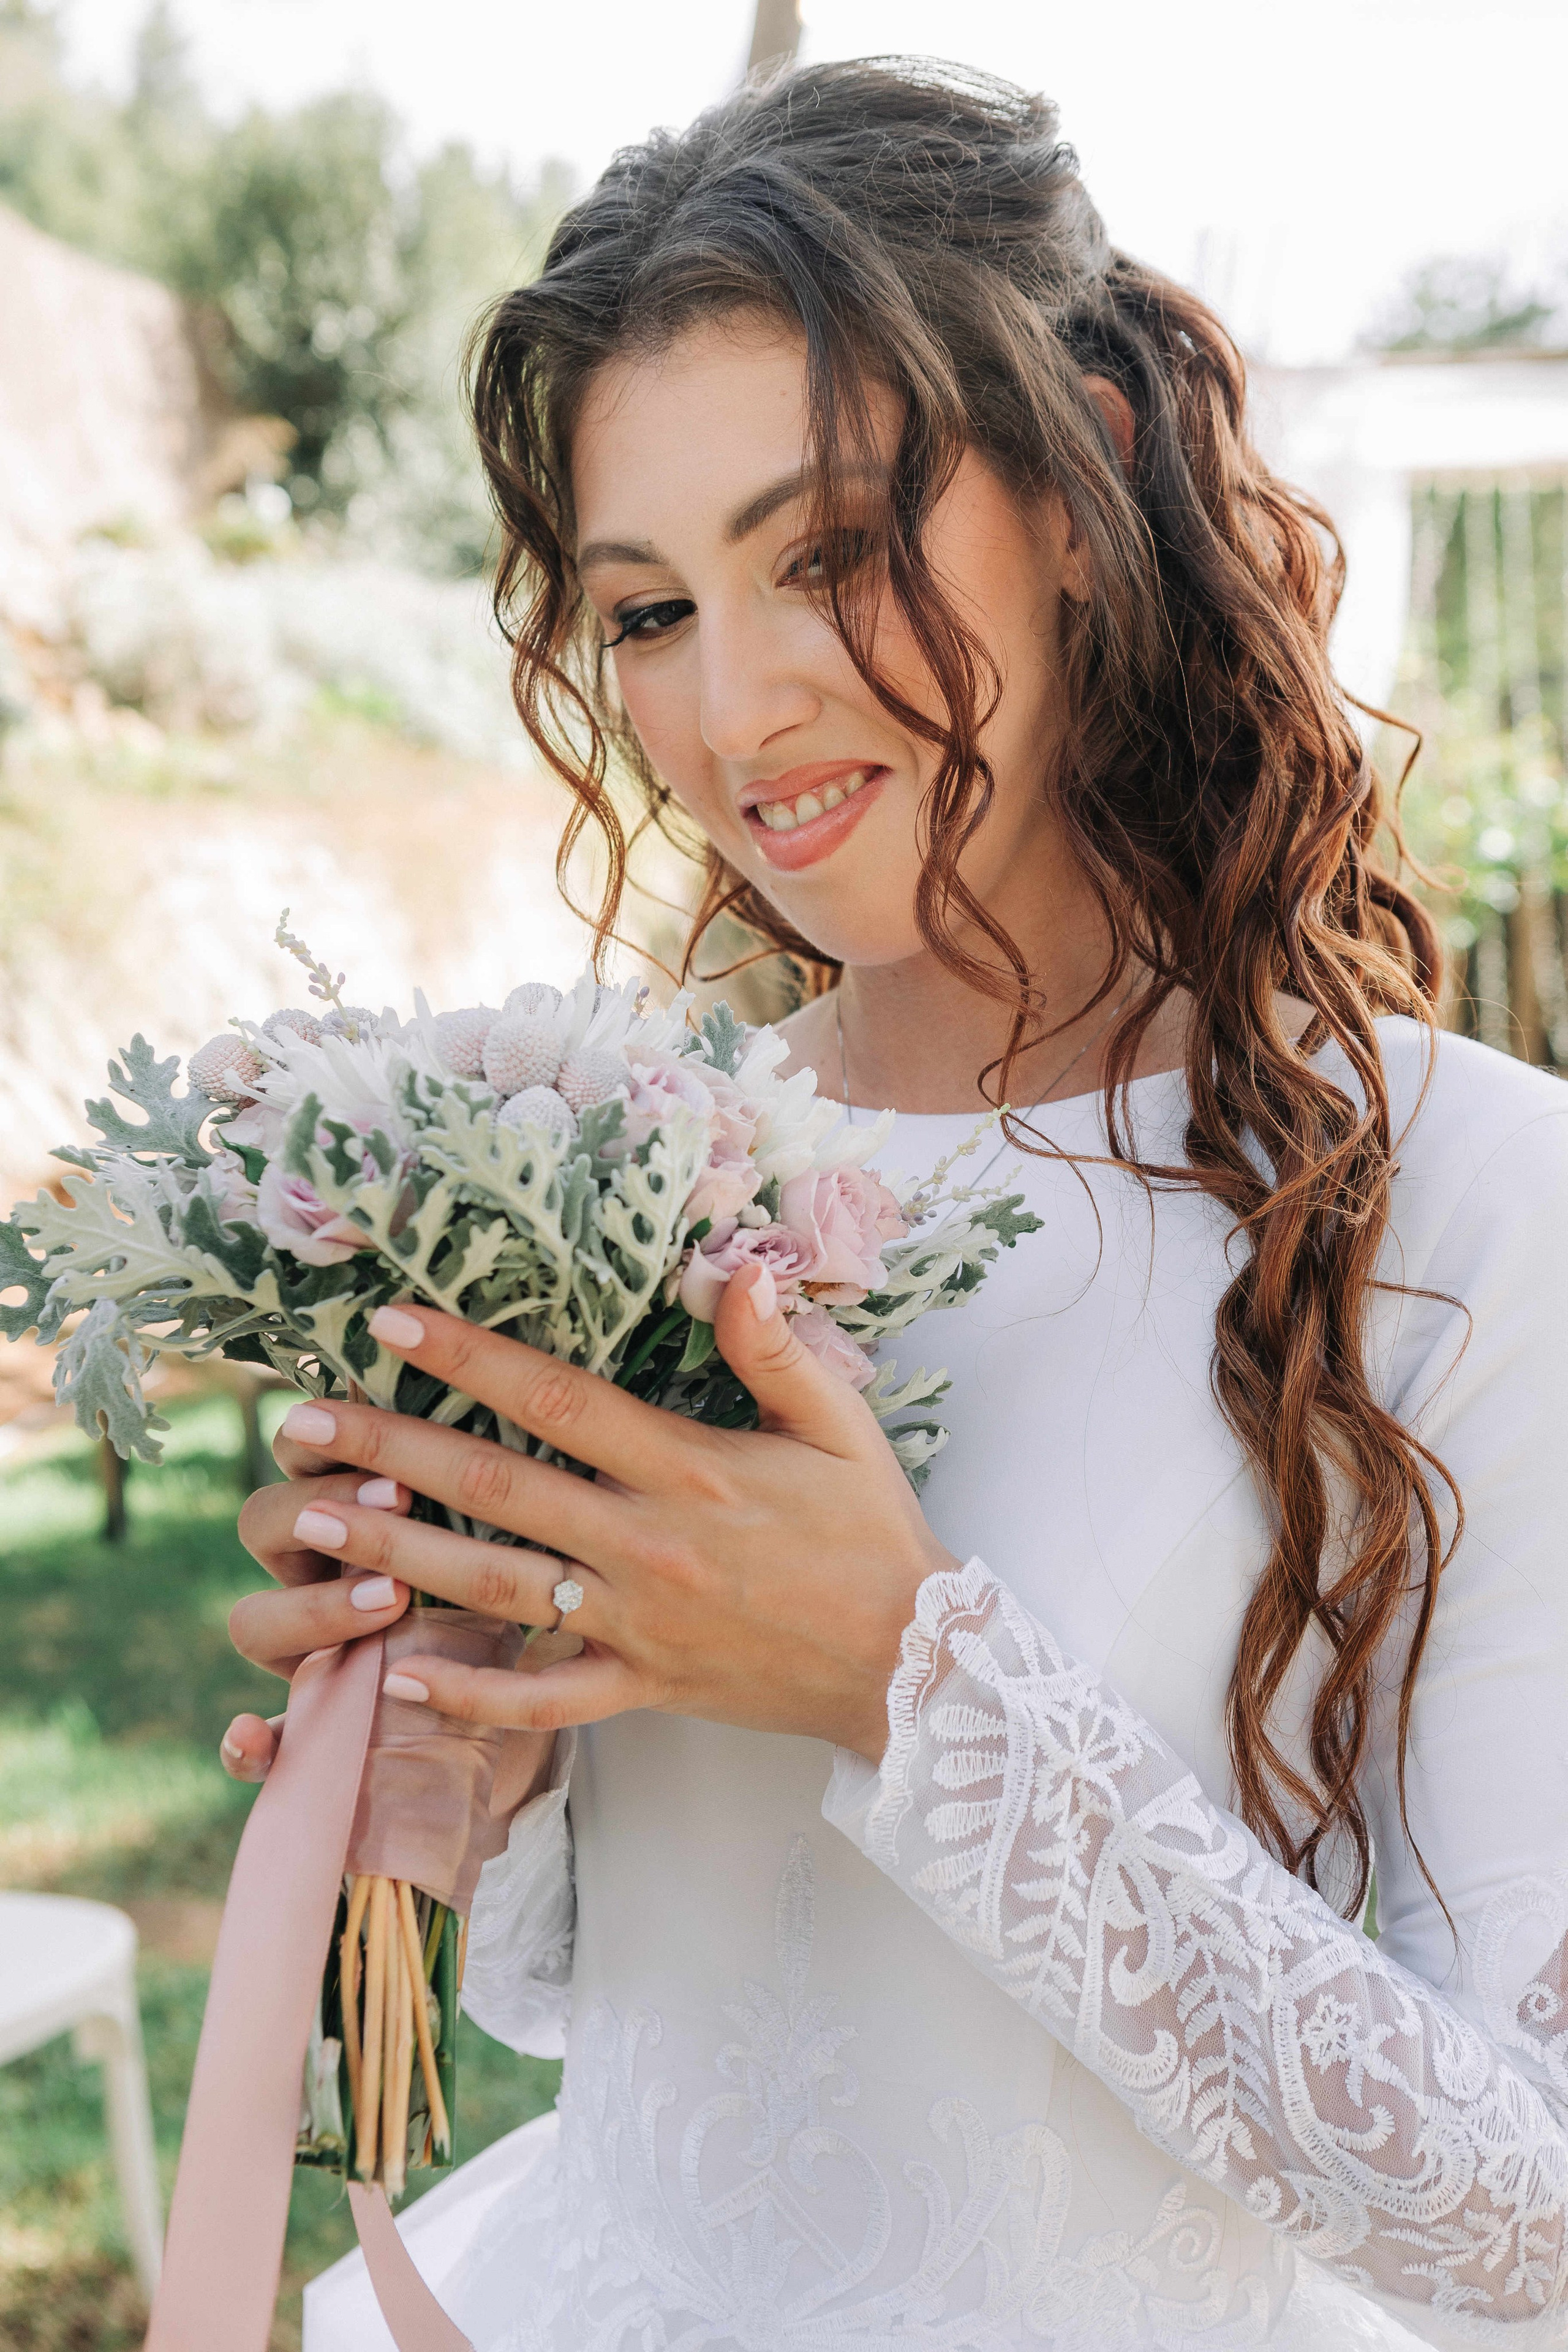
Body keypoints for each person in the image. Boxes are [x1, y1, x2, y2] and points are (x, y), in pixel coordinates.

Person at [219, 58, 1568, 2351]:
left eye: (828, 553)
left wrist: (902, 1680)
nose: (734, 712)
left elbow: (1522, 2226)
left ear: (1078, 483)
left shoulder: (1479, 1199)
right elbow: (655, 2019)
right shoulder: (650, 1174)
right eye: (644, 610)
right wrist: (473, 1743)